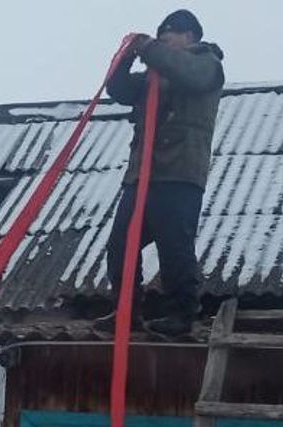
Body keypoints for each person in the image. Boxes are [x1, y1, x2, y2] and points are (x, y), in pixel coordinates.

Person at [98, 9, 225, 336]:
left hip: (179, 173)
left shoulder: (206, 64)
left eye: (169, 39)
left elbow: (188, 74)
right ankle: (126, 311)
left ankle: (181, 315)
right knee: (120, 246)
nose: (163, 46)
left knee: (174, 248)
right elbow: (120, 89)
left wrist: (149, 48)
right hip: (142, 176)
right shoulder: (154, 78)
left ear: (189, 37)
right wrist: (125, 58)